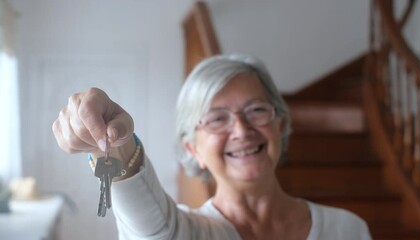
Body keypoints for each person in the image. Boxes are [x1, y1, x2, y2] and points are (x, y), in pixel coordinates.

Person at [52, 54, 372, 240]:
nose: (242, 130)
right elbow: (147, 224)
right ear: (193, 149)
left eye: (256, 110)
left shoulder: (348, 229)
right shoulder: (186, 232)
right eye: (217, 119)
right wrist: (110, 141)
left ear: (281, 125)